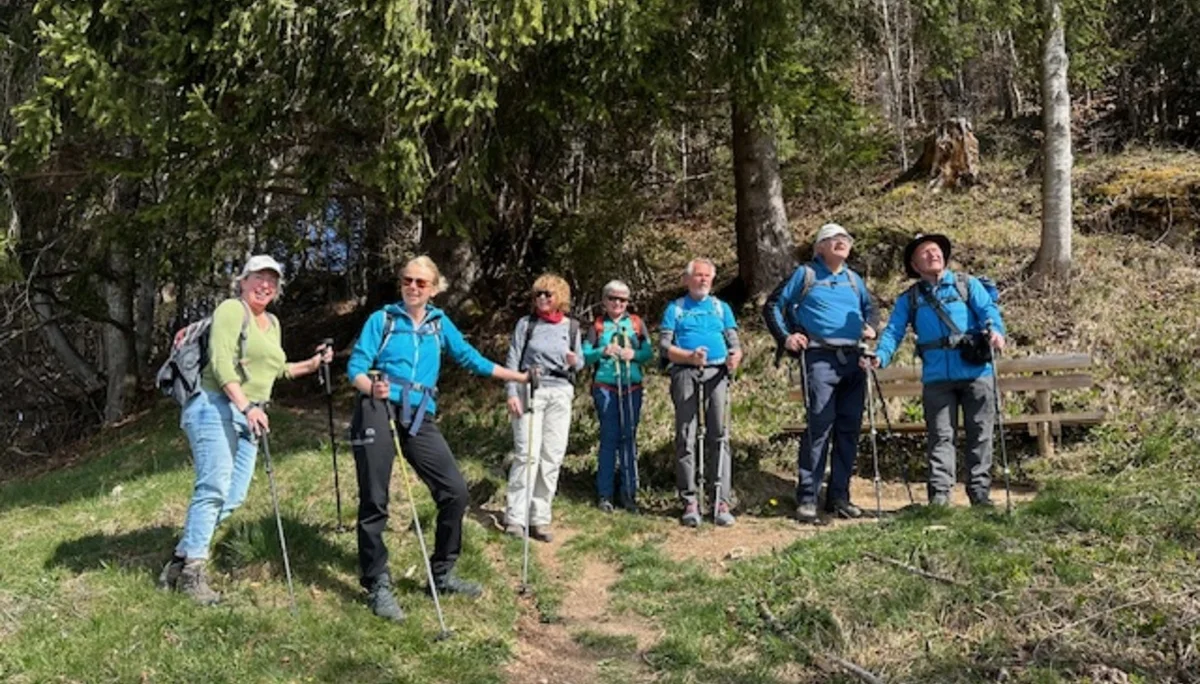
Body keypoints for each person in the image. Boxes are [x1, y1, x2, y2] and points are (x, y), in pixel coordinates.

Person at [347, 256, 530, 623]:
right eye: (407, 281)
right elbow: (356, 366)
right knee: (375, 498)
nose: (413, 288)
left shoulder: (438, 323)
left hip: (420, 414)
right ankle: (377, 582)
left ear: (434, 289)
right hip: (378, 408)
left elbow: (470, 358)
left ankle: (442, 573)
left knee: (456, 492)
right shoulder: (382, 319)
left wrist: (520, 378)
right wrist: (373, 387)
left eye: (421, 283)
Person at [159, 255, 332, 605]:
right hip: (213, 405)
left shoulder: (272, 323)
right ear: (244, 281)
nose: (265, 284)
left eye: (272, 279)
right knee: (213, 486)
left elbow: (277, 368)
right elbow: (222, 362)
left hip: (250, 413)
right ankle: (194, 573)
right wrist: (246, 405)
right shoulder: (230, 310)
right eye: (258, 277)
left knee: (233, 495)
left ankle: (178, 562)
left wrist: (313, 364)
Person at [869, 233, 1006, 507]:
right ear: (914, 264)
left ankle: (980, 493)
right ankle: (940, 497)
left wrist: (997, 333)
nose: (933, 254)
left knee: (980, 433)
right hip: (937, 378)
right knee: (941, 436)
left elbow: (988, 311)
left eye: (936, 250)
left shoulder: (968, 285)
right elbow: (894, 330)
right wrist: (881, 356)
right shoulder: (910, 298)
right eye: (925, 252)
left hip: (977, 372)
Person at [764, 223, 879, 524]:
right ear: (819, 248)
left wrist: (872, 326)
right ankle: (808, 498)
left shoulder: (855, 280)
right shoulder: (806, 274)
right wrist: (786, 337)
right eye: (833, 239)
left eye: (846, 238)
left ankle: (839, 496)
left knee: (849, 429)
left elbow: (871, 309)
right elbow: (774, 304)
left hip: (854, 359)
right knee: (819, 427)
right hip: (819, 358)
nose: (841, 242)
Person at [659, 258, 743, 527]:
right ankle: (690, 501)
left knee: (719, 434)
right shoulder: (676, 308)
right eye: (698, 275)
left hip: (717, 373)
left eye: (707, 276)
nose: (703, 280)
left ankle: (721, 500)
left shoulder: (721, 308)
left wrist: (735, 357)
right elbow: (664, 346)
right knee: (686, 434)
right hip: (684, 372)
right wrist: (688, 356)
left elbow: (735, 342)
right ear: (687, 279)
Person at [503, 274, 584, 543]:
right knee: (527, 453)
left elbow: (579, 362)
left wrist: (574, 361)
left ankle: (539, 517)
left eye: (548, 294)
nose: (542, 299)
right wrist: (511, 392)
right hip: (530, 389)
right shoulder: (526, 325)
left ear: (559, 296)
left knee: (552, 455)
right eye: (538, 294)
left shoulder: (571, 327)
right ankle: (515, 516)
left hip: (560, 392)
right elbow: (512, 359)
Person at [581, 280, 653, 513]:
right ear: (605, 301)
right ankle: (605, 494)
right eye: (613, 298)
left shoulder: (636, 323)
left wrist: (634, 354)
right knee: (609, 438)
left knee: (629, 438)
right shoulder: (598, 326)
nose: (618, 303)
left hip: (631, 386)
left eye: (622, 299)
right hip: (606, 386)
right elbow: (584, 355)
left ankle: (629, 493)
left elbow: (649, 353)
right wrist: (601, 351)